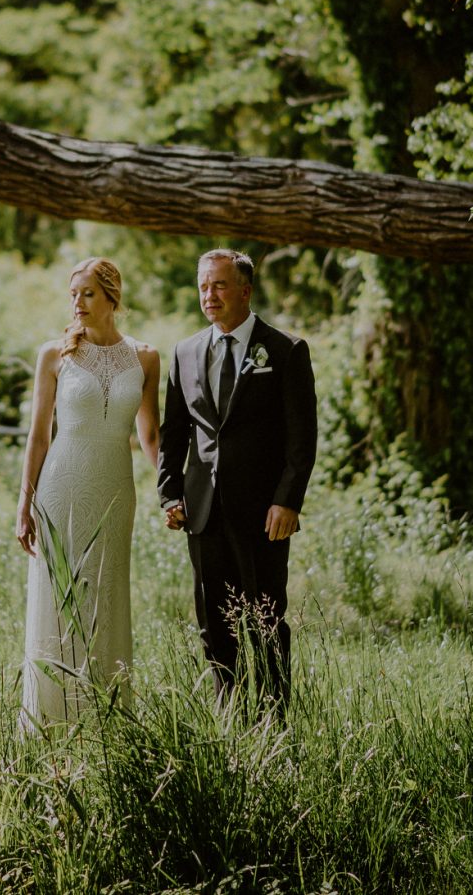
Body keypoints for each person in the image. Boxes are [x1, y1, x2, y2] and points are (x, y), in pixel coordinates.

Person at [157, 248, 317, 710]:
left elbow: (301, 436)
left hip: (264, 512)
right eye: (204, 285)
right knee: (215, 624)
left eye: (220, 285)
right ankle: (228, 717)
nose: (210, 294)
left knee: (265, 622)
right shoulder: (185, 352)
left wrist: (287, 500)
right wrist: (170, 493)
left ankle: (273, 723)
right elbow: (174, 432)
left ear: (245, 290)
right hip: (203, 511)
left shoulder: (285, 350)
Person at [15, 256, 161, 731]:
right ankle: (50, 718)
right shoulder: (53, 355)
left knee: (106, 594)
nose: (77, 302)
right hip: (60, 487)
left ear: (112, 298)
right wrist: (24, 503)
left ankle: (106, 720)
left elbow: (151, 437)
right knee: (60, 599)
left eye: (88, 293)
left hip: (116, 488)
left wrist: (171, 494)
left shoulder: (145, 357)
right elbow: (38, 436)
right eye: (73, 293)